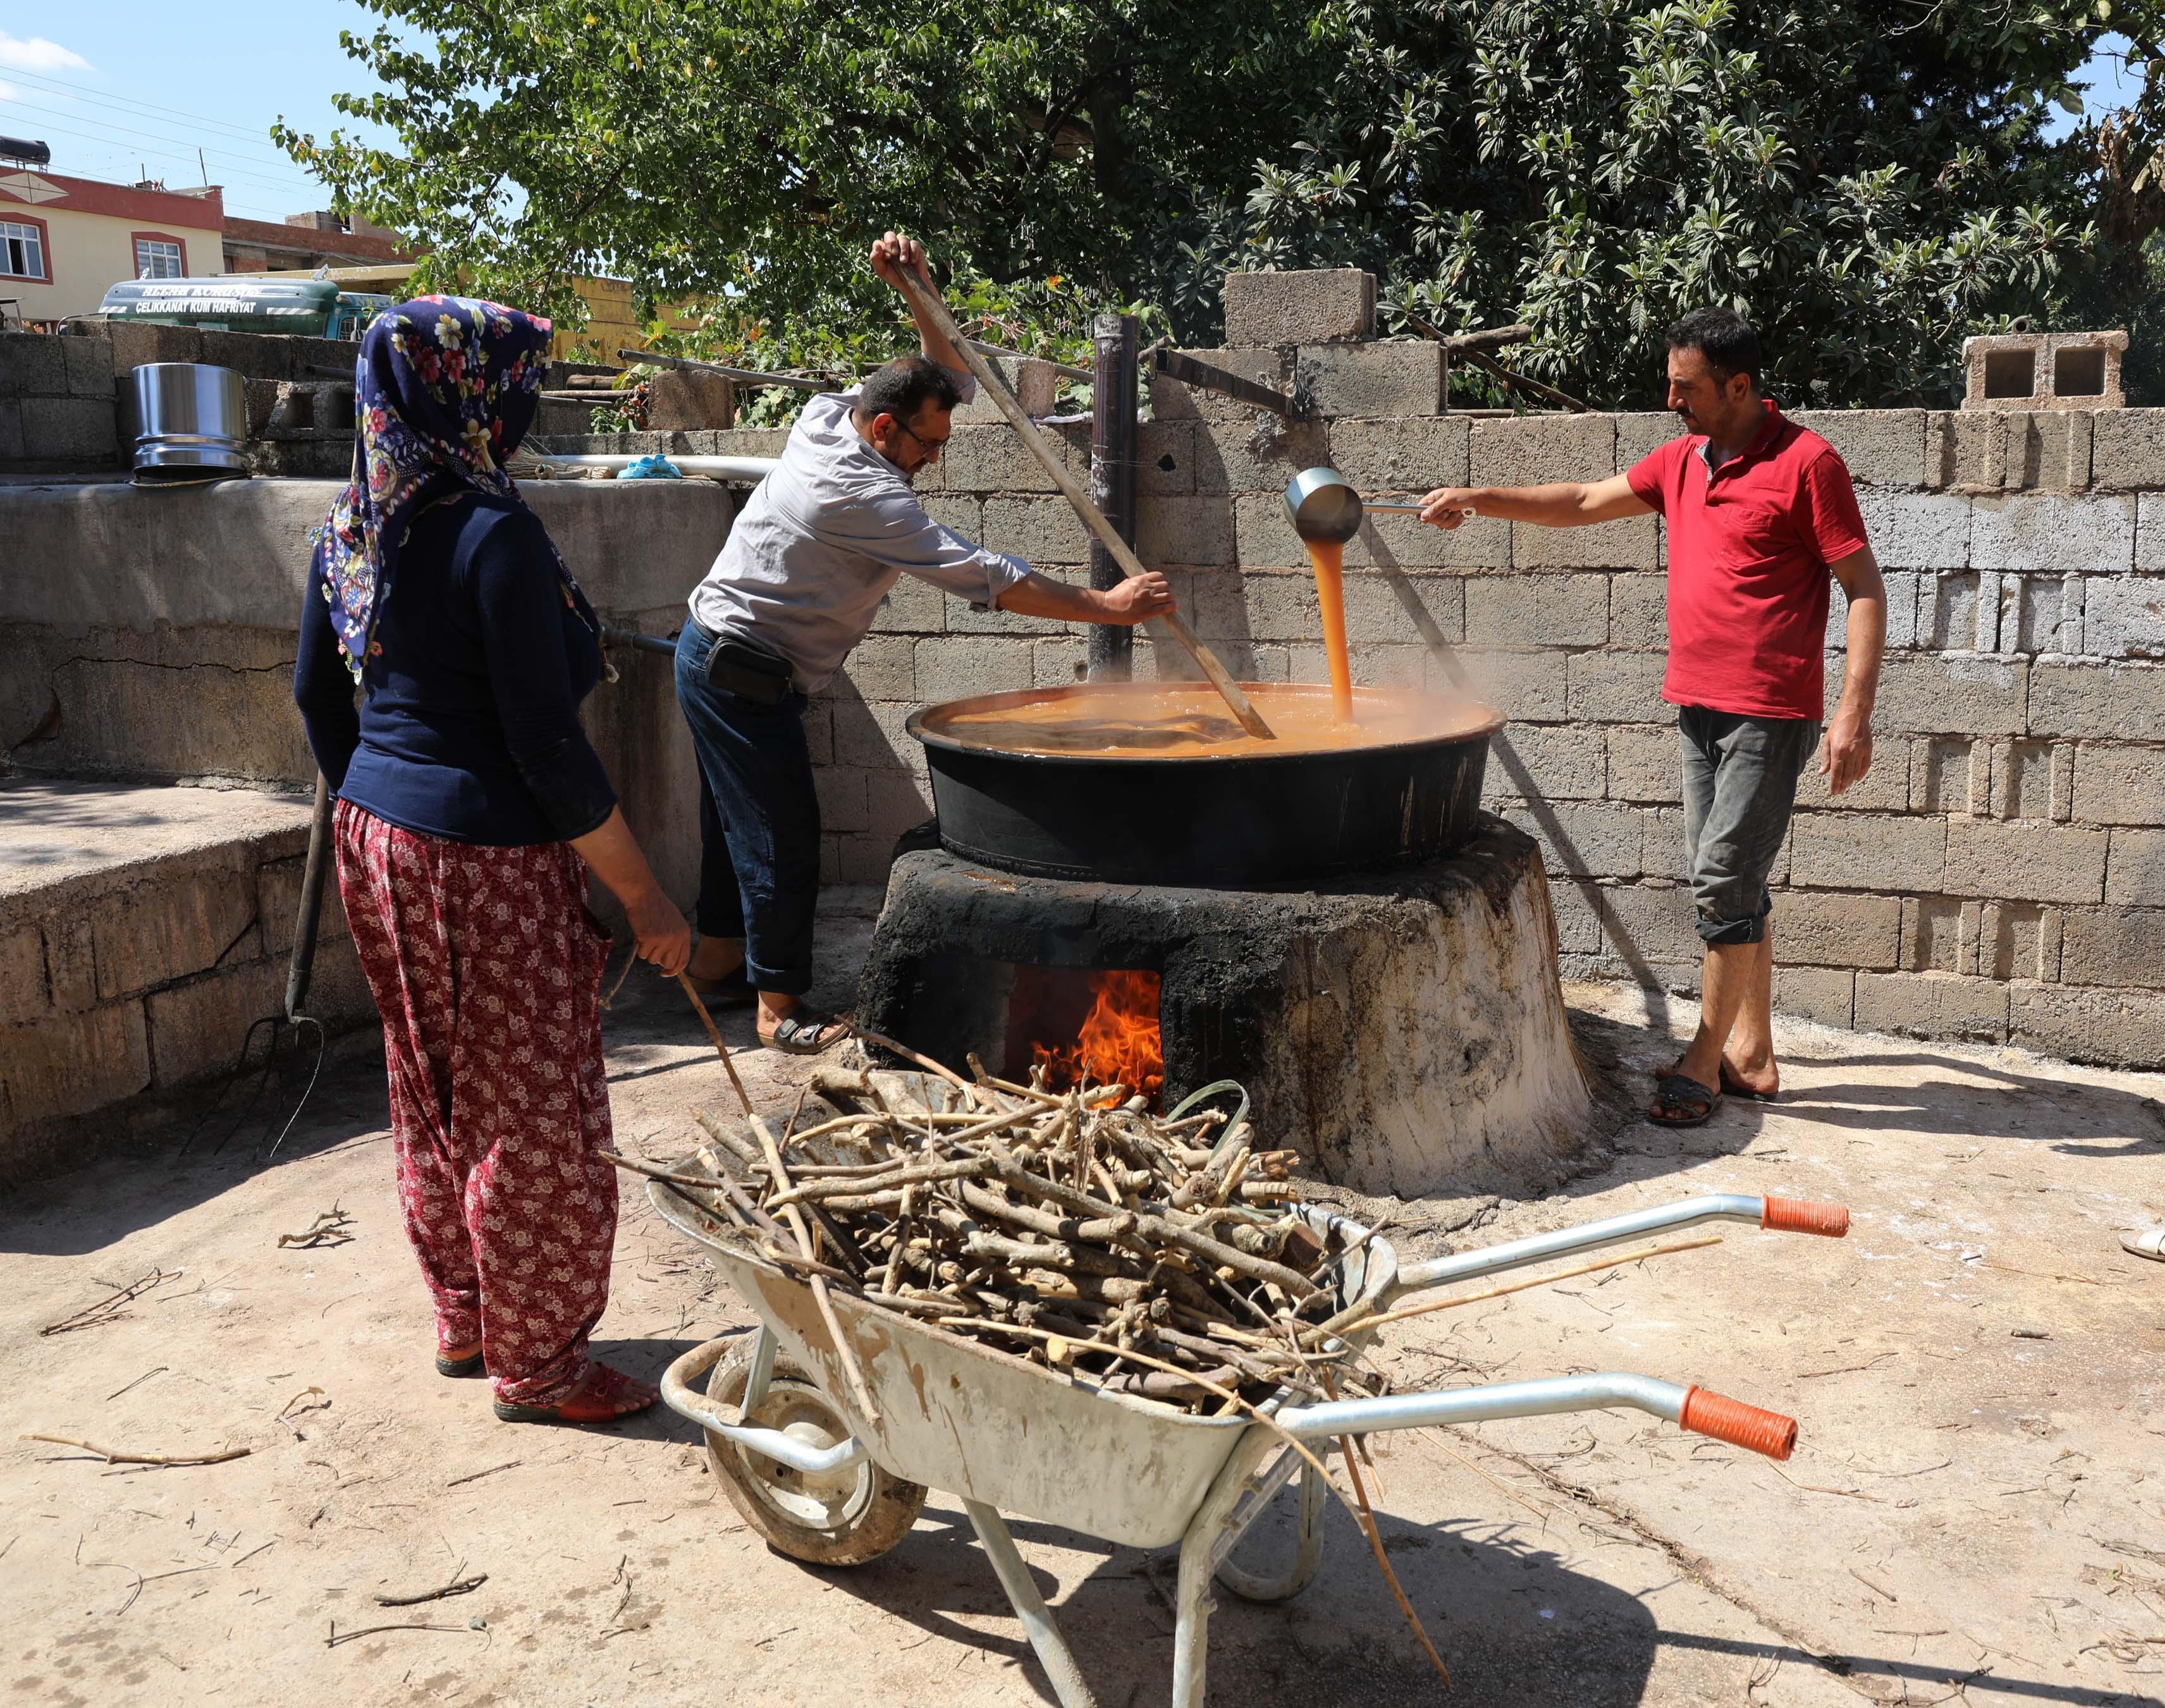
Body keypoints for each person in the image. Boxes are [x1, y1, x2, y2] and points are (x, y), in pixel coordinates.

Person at [295, 296, 690, 1425]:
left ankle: (467, 1315)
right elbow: (547, 749)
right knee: (535, 1111)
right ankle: (542, 1362)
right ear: (468, 393)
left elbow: (318, 698)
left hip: (378, 842)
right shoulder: (492, 533)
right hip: (488, 863)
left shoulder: (357, 525)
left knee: (431, 1084)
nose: (524, 406)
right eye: (517, 386)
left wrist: (387, 799)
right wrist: (645, 897)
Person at [675, 232, 1175, 1052]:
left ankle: (719, 962)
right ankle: (777, 1010)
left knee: (738, 822)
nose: (935, 459)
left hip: (725, 657)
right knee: (779, 833)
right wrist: (1109, 608)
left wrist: (918, 288)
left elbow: (945, 375)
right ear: (884, 428)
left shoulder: (827, 416)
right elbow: (988, 576)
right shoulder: (864, 497)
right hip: (739, 670)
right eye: (928, 445)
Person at [1420, 307, 1886, 1126]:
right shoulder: (1681, 462)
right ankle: (1754, 1052)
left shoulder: (1808, 463)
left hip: (1769, 711)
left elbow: (1865, 589)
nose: (1672, 402)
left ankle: (1704, 1058)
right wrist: (1478, 499)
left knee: (1722, 882)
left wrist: (1855, 711)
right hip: (1696, 706)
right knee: (1733, 879)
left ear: (1739, 386)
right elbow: (1580, 500)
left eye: (1686, 389)